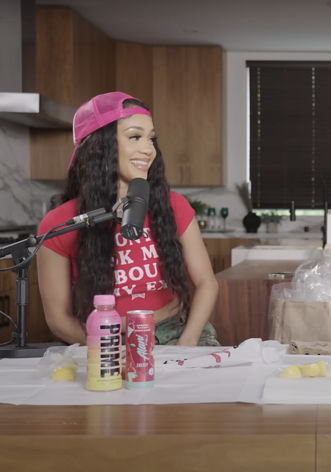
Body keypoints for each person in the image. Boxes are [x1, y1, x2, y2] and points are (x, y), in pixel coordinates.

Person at [37, 91, 220, 346]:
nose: (148, 149)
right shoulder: (60, 224)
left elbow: (207, 284)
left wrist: (184, 347)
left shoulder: (173, 205)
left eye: (151, 139)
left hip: (175, 333)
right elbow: (58, 320)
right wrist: (125, 336)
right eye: (135, 137)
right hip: (106, 340)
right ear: (100, 146)